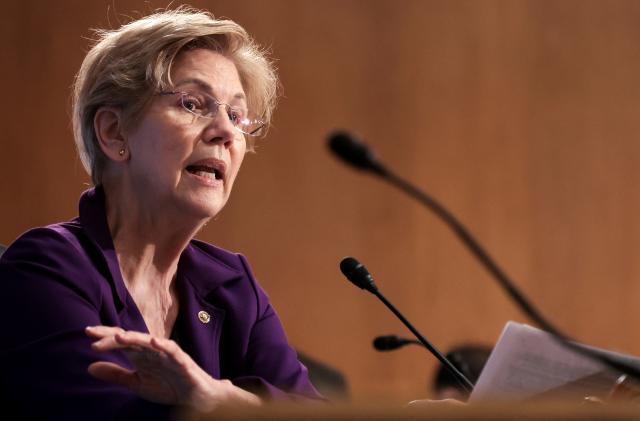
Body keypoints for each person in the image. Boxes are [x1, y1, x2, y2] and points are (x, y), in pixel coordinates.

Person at [0, 7, 323, 420]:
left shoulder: (232, 286)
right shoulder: (47, 268)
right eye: (192, 103)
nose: (226, 131)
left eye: (236, 115)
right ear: (114, 132)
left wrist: (216, 399)